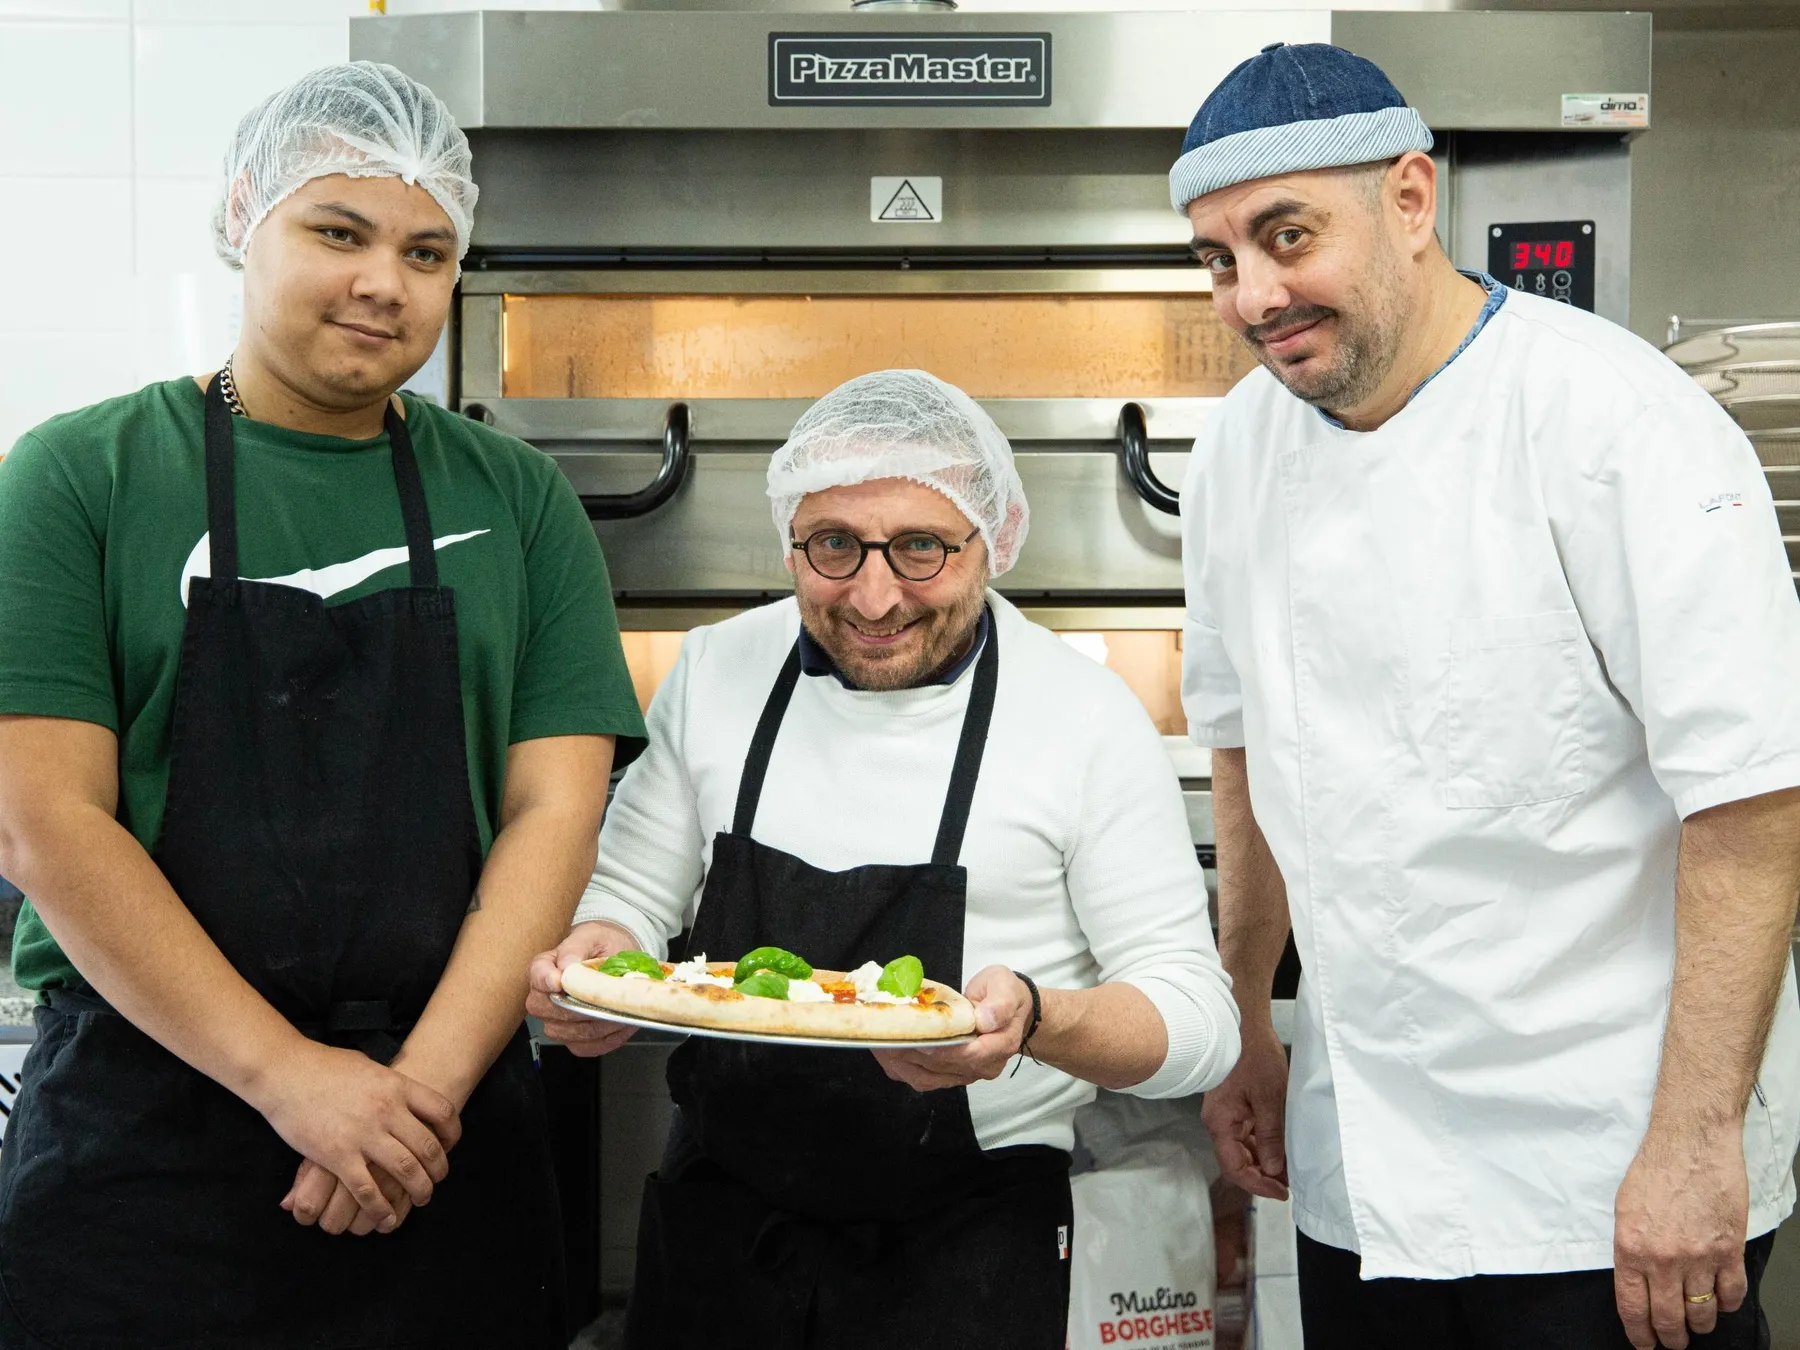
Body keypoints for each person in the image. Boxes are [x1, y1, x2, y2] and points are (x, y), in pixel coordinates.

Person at [0, 62, 645, 1349]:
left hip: (439, 1125)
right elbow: (45, 825)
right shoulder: (79, 473)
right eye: (337, 232)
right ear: (246, 217)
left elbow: (552, 817)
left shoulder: (519, 501)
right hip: (147, 1129)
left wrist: (411, 1101)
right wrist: (291, 1082)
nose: (383, 282)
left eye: (426, 249)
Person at [1172, 41, 1800, 1350]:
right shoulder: (1235, 446)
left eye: (1287, 236)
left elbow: (1751, 798)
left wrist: (1692, 1140)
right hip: (1366, 1155)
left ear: (1412, 200)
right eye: (1219, 257)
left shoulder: (1619, 426)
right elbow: (1240, 750)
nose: (1252, 293)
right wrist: (1242, 1016)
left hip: (1606, 1169)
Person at [526, 369, 1241, 1348]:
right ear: (792, 539)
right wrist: (594, 972)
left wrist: (1034, 1020)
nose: (873, 596)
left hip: (966, 1240)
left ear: (993, 539)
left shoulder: (1081, 717)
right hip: (722, 1224)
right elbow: (630, 896)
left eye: (920, 548)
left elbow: (1197, 1021)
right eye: (834, 546)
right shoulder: (717, 669)